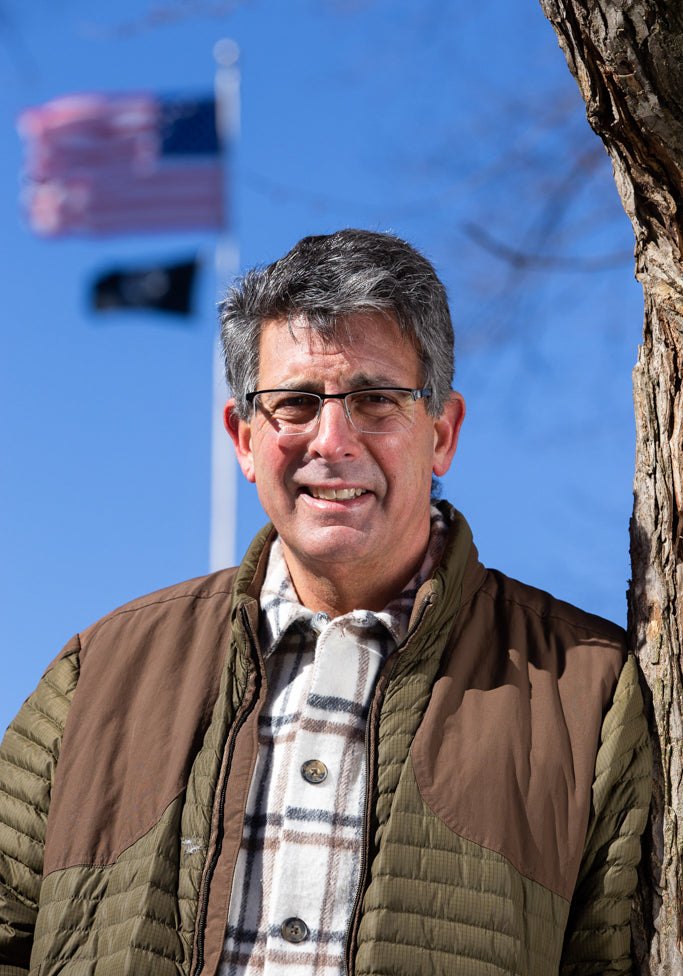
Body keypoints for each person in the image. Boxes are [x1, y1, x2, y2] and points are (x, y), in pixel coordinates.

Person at [0, 229, 650, 976]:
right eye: (296, 403)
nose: (332, 441)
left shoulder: (586, 690)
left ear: (441, 434)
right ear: (243, 438)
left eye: (375, 400)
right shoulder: (97, 675)